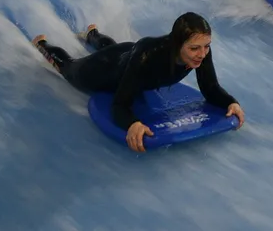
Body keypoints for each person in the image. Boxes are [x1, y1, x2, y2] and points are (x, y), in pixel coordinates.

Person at [32, 12, 244, 153]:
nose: (202, 54)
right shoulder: (149, 57)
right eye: (194, 48)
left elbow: (210, 88)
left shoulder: (201, 52)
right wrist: (132, 123)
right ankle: (42, 44)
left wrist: (230, 102)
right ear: (177, 43)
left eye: (206, 46)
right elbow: (119, 104)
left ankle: (92, 34)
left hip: (128, 55)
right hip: (105, 70)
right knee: (69, 68)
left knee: (114, 49)